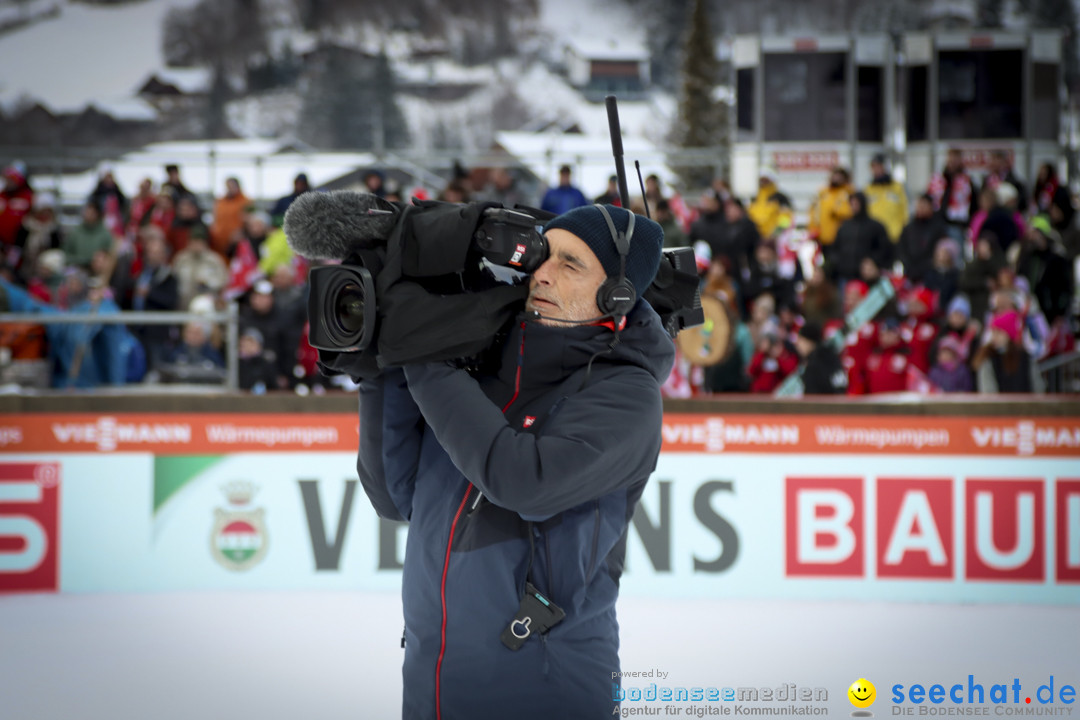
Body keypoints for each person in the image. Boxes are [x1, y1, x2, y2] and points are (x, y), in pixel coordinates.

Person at [353, 204, 671, 718]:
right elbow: (396, 495)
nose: (542, 274)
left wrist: (425, 354)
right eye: (544, 255)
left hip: (543, 687)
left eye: (571, 265)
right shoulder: (484, 365)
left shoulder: (628, 394)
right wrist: (380, 370)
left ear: (618, 295)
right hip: (434, 683)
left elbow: (523, 483)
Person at [831, 191, 892, 287]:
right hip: (845, 275)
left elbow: (884, 249)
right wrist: (839, 264)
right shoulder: (844, 226)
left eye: (856, 203)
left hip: (866, 278)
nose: (854, 206)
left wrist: (872, 261)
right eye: (852, 203)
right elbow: (835, 248)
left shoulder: (875, 226)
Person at [972, 310, 1035, 393]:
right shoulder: (988, 358)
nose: (994, 337)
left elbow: (1037, 387)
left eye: (998, 332)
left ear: (1008, 334)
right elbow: (988, 393)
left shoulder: (1025, 358)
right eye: (993, 333)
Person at [897, 194, 949, 285]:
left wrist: (926, 266)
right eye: (918, 205)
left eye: (924, 205)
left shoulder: (938, 228)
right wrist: (908, 265)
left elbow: (939, 251)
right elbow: (901, 248)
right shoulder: (908, 228)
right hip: (909, 272)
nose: (920, 208)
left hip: (930, 274)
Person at [927, 149, 977, 234]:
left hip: (958, 223)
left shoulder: (967, 180)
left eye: (955, 159)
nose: (953, 162)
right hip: (938, 222)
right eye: (951, 158)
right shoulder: (938, 179)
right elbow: (929, 198)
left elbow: (973, 201)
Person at [807, 166, 854, 253]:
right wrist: (812, 229)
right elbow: (814, 212)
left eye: (840, 176)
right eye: (835, 175)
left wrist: (836, 211)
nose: (836, 179)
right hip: (822, 237)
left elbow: (850, 212)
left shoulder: (848, 193)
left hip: (841, 238)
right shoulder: (823, 193)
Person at [864, 153, 909, 244]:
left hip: (894, 236)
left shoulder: (897, 187)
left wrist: (904, 232)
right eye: (874, 167)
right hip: (875, 237)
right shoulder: (868, 189)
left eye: (879, 166)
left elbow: (904, 211)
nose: (876, 170)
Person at [795, 320, 847, 395]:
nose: (798, 345)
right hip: (840, 403)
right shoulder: (832, 356)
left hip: (823, 405)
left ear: (809, 342)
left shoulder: (814, 364)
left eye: (801, 341)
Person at [63, 202, 115, 271]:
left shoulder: (105, 234)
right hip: (76, 270)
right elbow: (66, 254)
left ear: (97, 214)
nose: (88, 215)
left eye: (91, 213)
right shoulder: (75, 233)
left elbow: (110, 256)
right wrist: (80, 261)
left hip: (99, 271)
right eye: (86, 212)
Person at [209, 177, 250, 257]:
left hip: (237, 241)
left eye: (232, 186)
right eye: (228, 186)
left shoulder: (246, 202)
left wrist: (242, 233)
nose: (230, 188)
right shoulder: (220, 202)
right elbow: (215, 219)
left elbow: (249, 220)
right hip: (220, 240)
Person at [0, 162, 34, 249]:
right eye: (8, 179)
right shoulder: (2, 196)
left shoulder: (28, 196)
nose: (9, 182)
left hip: (20, 243)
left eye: (12, 179)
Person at [748, 167, 788, 239]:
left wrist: (777, 233)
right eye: (761, 180)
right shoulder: (754, 198)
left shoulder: (780, 198)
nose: (763, 182)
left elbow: (786, 218)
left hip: (774, 238)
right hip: (755, 238)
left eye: (766, 180)